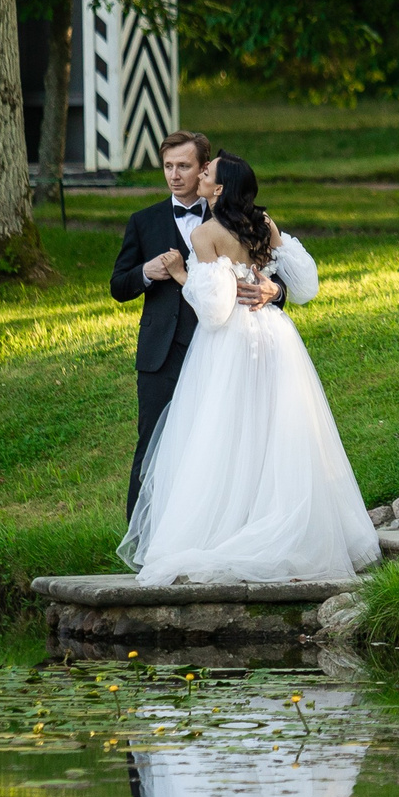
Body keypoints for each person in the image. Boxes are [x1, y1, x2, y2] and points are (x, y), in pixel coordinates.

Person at [119, 154, 378, 585]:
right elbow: (307, 283)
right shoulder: (264, 225)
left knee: (225, 434)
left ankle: (229, 532)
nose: (199, 175)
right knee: (274, 433)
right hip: (276, 339)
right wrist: (274, 287)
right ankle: (283, 526)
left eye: (206, 172)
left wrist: (184, 275)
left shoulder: (206, 234)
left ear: (218, 190)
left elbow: (217, 310)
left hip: (231, 345)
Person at [110, 131, 296, 517]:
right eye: (168, 166)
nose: (174, 175)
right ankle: (144, 541)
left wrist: (272, 293)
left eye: (184, 166)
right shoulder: (143, 222)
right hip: (164, 353)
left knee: (224, 444)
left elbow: (274, 276)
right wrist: (145, 271)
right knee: (153, 446)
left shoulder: (236, 218)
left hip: (224, 350)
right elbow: (119, 285)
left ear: (204, 170)